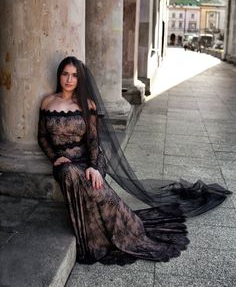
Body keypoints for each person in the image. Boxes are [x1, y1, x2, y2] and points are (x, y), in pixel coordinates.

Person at [38, 56, 231, 265]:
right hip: (66, 166)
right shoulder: (48, 102)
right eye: (65, 74)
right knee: (69, 172)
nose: (69, 79)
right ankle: (91, 236)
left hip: (89, 161)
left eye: (74, 75)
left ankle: (128, 229)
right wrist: (56, 157)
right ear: (59, 75)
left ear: (79, 79)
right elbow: (42, 137)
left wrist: (95, 168)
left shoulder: (87, 104)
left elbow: (93, 141)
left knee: (102, 194)